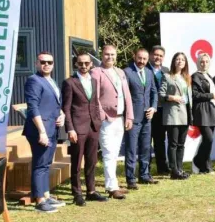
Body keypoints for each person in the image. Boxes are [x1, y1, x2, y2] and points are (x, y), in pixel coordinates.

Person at [61, 52, 108, 206]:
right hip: (78, 128)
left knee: (92, 160)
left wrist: (98, 121)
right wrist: (70, 129)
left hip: (93, 127)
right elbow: (66, 108)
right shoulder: (69, 82)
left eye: (86, 63)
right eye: (80, 63)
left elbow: (94, 103)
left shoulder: (94, 81)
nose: (83, 66)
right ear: (76, 64)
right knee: (76, 162)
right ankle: (77, 194)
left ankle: (91, 191)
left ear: (91, 64)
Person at [24, 52, 66, 213]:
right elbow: (33, 107)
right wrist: (41, 131)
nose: (46, 64)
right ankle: (40, 200)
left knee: (46, 164)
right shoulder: (34, 80)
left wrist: (61, 115)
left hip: (52, 128)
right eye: (43, 62)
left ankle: (46, 196)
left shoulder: (51, 81)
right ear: (36, 63)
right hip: (40, 130)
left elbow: (54, 104)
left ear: (53, 64)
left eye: (49, 62)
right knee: (40, 164)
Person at [91, 45, 133, 199]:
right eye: (107, 54)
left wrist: (129, 116)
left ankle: (113, 183)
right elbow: (94, 97)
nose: (110, 57)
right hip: (106, 119)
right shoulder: (96, 72)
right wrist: (102, 115)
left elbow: (127, 95)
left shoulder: (120, 72)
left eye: (113, 54)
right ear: (102, 55)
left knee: (114, 153)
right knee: (108, 152)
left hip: (120, 118)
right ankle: (111, 187)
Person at [123, 48, 158, 189]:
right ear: (134, 56)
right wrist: (128, 116)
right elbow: (124, 96)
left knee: (146, 148)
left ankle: (144, 175)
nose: (142, 61)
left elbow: (154, 92)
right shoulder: (127, 72)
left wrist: (153, 107)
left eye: (144, 59)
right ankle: (130, 179)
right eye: (139, 58)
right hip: (132, 118)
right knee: (131, 149)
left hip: (147, 118)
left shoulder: (149, 72)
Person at [159, 52, 192, 180]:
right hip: (173, 114)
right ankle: (174, 170)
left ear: (185, 63)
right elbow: (161, 95)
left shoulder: (186, 78)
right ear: (173, 61)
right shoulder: (167, 76)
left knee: (181, 144)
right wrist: (172, 97)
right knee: (173, 143)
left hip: (185, 114)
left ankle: (179, 168)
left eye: (182, 59)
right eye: (178, 59)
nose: (180, 61)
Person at [191, 53, 215, 174]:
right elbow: (195, 95)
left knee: (207, 140)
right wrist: (211, 95)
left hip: (211, 110)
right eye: (202, 62)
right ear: (198, 63)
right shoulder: (195, 76)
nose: (204, 64)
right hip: (202, 110)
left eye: (206, 61)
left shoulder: (209, 76)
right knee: (208, 139)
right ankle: (198, 161)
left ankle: (205, 166)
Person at [149, 46, 171, 176]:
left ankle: (162, 167)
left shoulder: (166, 70)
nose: (158, 57)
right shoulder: (145, 69)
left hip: (163, 110)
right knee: (147, 140)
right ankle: (146, 168)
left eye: (161, 56)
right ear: (151, 55)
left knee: (160, 140)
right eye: (156, 55)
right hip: (149, 110)